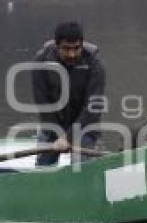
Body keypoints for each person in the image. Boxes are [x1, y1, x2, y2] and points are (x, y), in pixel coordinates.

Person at [32, 22, 106, 165]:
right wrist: (59, 136)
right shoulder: (41, 61)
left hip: (84, 126)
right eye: (66, 49)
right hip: (53, 123)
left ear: (82, 45)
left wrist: (69, 138)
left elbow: (93, 108)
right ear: (57, 45)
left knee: (81, 170)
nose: (71, 54)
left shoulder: (95, 65)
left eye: (76, 48)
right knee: (43, 171)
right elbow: (42, 104)